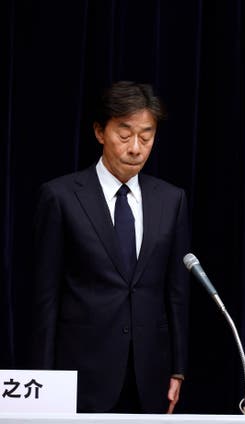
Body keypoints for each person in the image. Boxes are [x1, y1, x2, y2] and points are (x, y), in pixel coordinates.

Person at [29, 81, 190, 413]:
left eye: (146, 137)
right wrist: (42, 380)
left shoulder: (171, 200)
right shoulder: (61, 197)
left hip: (149, 374)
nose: (135, 148)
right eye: (124, 135)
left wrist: (178, 368)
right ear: (100, 132)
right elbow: (45, 297)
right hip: (80, 374)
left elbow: (177, 292)